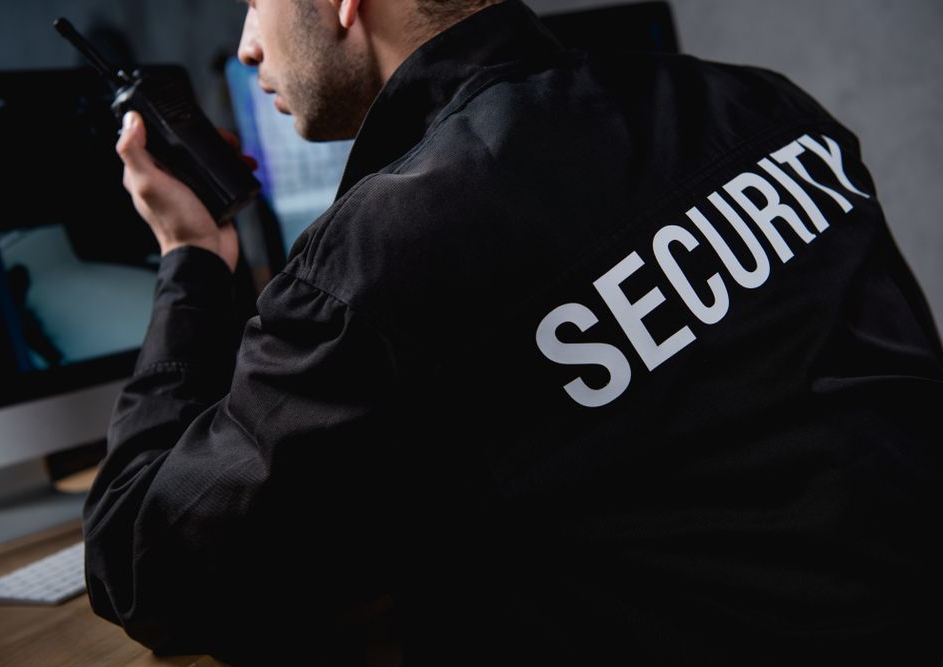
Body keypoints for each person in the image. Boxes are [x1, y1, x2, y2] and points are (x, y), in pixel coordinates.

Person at [84, 0, 943, 664]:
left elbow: (145, 567)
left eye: (254, 4)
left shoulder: (377, 260)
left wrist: (193, 258)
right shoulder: (760, 105)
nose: (245, 46)